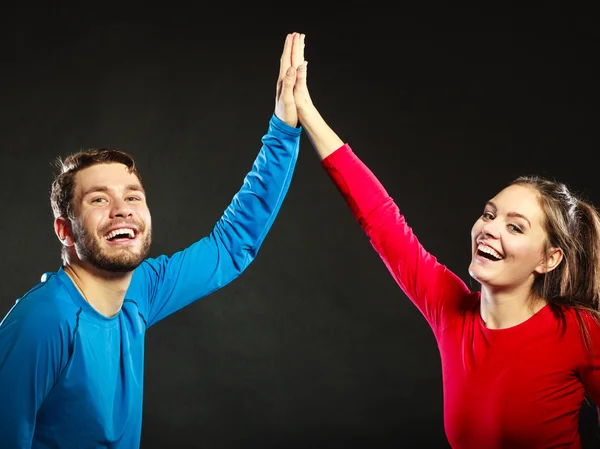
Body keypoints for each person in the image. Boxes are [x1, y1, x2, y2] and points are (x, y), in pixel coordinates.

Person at [0, 32, 306, 448]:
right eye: (98, 199)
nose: (121, 209)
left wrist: (284, 128)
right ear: (65, 230)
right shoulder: (44, 321)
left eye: (132, 197)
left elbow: (231, 245)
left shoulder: (141, 290)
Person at [291, 40, 600, 448]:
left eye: (516, 227)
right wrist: (306, 112)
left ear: (549, 258)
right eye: (489, 215)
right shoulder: (450, 311)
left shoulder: (580, 332)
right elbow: (380, 219)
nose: (490, 229)